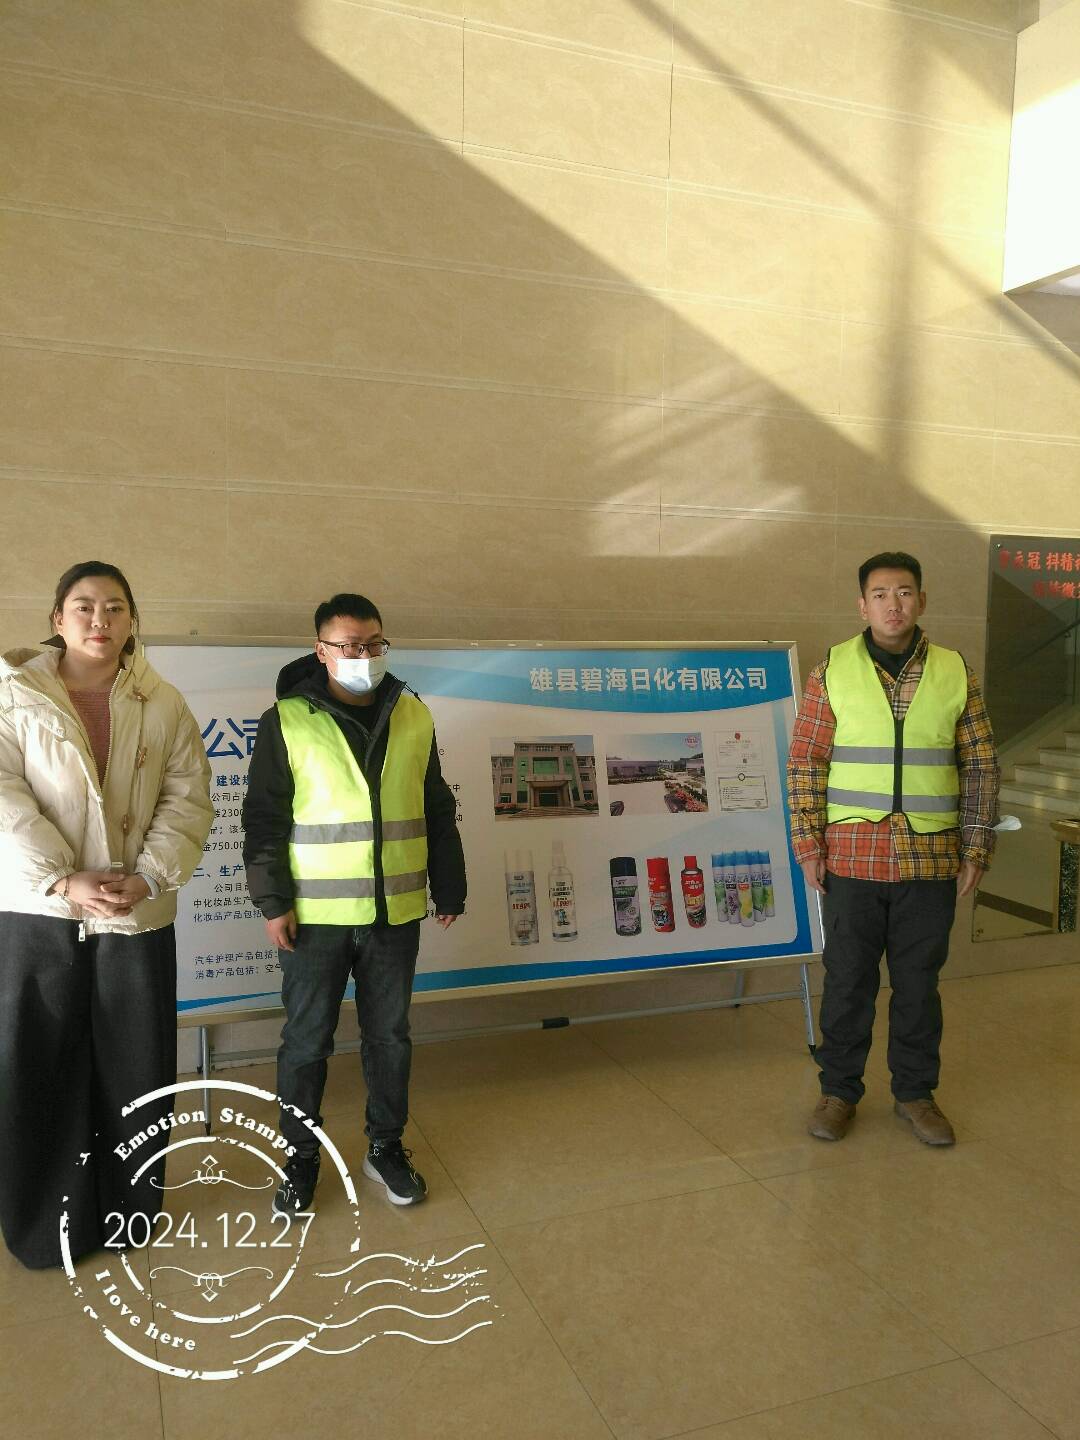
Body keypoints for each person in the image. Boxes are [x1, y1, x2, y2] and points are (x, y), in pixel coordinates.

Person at [0, 561, 214, 1269]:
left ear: (132, 620)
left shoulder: (164, 702)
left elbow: (188, 798)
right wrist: (63, 880)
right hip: (39, 915)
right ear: (57, 619)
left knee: (135, 1069)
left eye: (116, 607)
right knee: (40, 1068)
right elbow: (3, 799)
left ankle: (130, 1212)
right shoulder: (12, 695)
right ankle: (45, 1226)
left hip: (134, 913)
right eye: (85, 606)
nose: (101, 619)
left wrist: (149, 876)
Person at [243, 593, 466, 1212]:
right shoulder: (286, 720)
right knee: (306, 1041)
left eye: (373, 644)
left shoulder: (413, 713)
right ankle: (300, 1157)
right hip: (314, 918)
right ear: (322, 650)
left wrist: (450, 884)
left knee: (389, 1037)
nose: (363, 656)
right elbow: (263, 819)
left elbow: (435, 804)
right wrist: (272, 902)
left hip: (395, 911)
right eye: (348, 646)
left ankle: (385, 1147)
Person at [787, 551, 1000, 1147]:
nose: (893, 605)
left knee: (918, 985)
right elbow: (806, 761)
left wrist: (976, 846)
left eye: (904, 592)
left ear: (921, 601)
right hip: (851, 857)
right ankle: (838, 1092)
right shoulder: (832, 669)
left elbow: (981, 764)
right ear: (863, 605)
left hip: (930, 859)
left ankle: (915, 1094)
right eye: (880, 594)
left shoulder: (955, 671)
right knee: (848, 981)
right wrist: (807, 841)